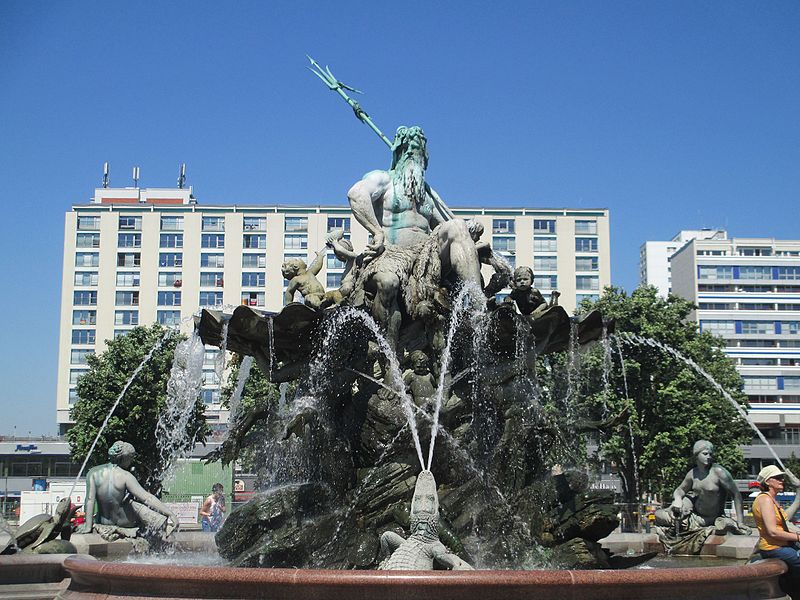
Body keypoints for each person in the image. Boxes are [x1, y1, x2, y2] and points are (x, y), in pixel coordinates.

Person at [346, 126, 483, 344]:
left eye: (417, 150)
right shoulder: (383, 179)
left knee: (457, 226)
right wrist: (376, 231)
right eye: (406, 149)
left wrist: (470, 227)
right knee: (388, 282)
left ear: (424, 159)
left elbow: (451, 225)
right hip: (391, 255)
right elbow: (356, 194)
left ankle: (479, 307)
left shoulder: (428, 194)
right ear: (397, 153)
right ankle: (387, 350)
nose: (411, 153)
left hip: (425, 259)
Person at [76, 441, 179, 536]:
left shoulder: (93, 473)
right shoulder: (126, 476)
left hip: (101, 521)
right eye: (131, 458)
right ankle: (164, 527)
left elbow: (90, 500)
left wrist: (88, 526)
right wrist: (170, 513)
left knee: (128, 500)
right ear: (125, 458)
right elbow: (147, 498)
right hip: (123, 523)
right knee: (133, 503)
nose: (131, 461)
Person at [654, 440, 749, 533]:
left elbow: (736, 495)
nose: (709, 457)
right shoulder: (692, 474)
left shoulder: (719, 472)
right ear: (696, 455)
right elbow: (680, 490)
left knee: (723, 525)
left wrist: (740, 522)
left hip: (711, 519)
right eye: (705, 454)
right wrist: (678, 500)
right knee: (658, 515)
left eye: (710, 454)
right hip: (692, 514)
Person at [753, 465, 800, 586]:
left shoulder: (772, 499)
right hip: (773, 548)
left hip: (782, 546)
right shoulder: (765, 500)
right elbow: (773, 532)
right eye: (778, 477)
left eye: (782, 477)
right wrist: (798, 538)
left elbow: (784, 525)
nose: (781, 480)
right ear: (768, 482)